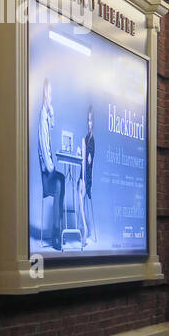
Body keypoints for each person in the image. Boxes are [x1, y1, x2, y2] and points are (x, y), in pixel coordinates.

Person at [38, 78, 66, 250]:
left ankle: (59, 229)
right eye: (48, 94)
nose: (50, 98)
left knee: (62, 181)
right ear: (44, 95)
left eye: (51, 95)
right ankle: (57, 233)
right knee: (59, 184)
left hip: (49, 169)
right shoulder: (42, 116)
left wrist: (52, 112)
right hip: (46, 173)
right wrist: (51, 168)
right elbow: (42, 145)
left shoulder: (46, 114)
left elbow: (53, 126)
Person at [79, 105, 96, 248]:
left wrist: (85, 181)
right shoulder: (87, 138)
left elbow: (88, 165)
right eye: (87, 120)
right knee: (78, 191)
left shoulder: (91, 140)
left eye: (90, 121)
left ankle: (84, 227)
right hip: (85, 176)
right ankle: (84, 227)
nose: (88, 123)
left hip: (86, 178)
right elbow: (86, 161)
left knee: (79, 193)